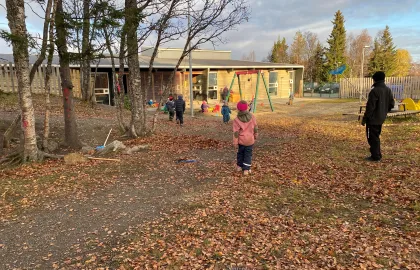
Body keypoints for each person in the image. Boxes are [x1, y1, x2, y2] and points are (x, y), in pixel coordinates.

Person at [361, 71, 395, 162]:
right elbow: (392, 104)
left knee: (373, 137)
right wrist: (384, 111)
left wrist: (365, 119)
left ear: (375, 79)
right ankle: (377, 154)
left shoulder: (374, 91)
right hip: (381, 118)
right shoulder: (388, 90)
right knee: (376, 136)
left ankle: (376, 156)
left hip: (373, 119)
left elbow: (370, 108)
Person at [233, 100, 258, 176]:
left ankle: (239, 166)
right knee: (248, 154)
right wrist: (255, 135)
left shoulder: (236, 119)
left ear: (238, 109)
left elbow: (236, 133)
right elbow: (255, 128)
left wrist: (235, 142)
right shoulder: (252, 117)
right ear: (247, 108)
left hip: (241, 140)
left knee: (240, 153)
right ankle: (246, 169)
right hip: (250, 139)